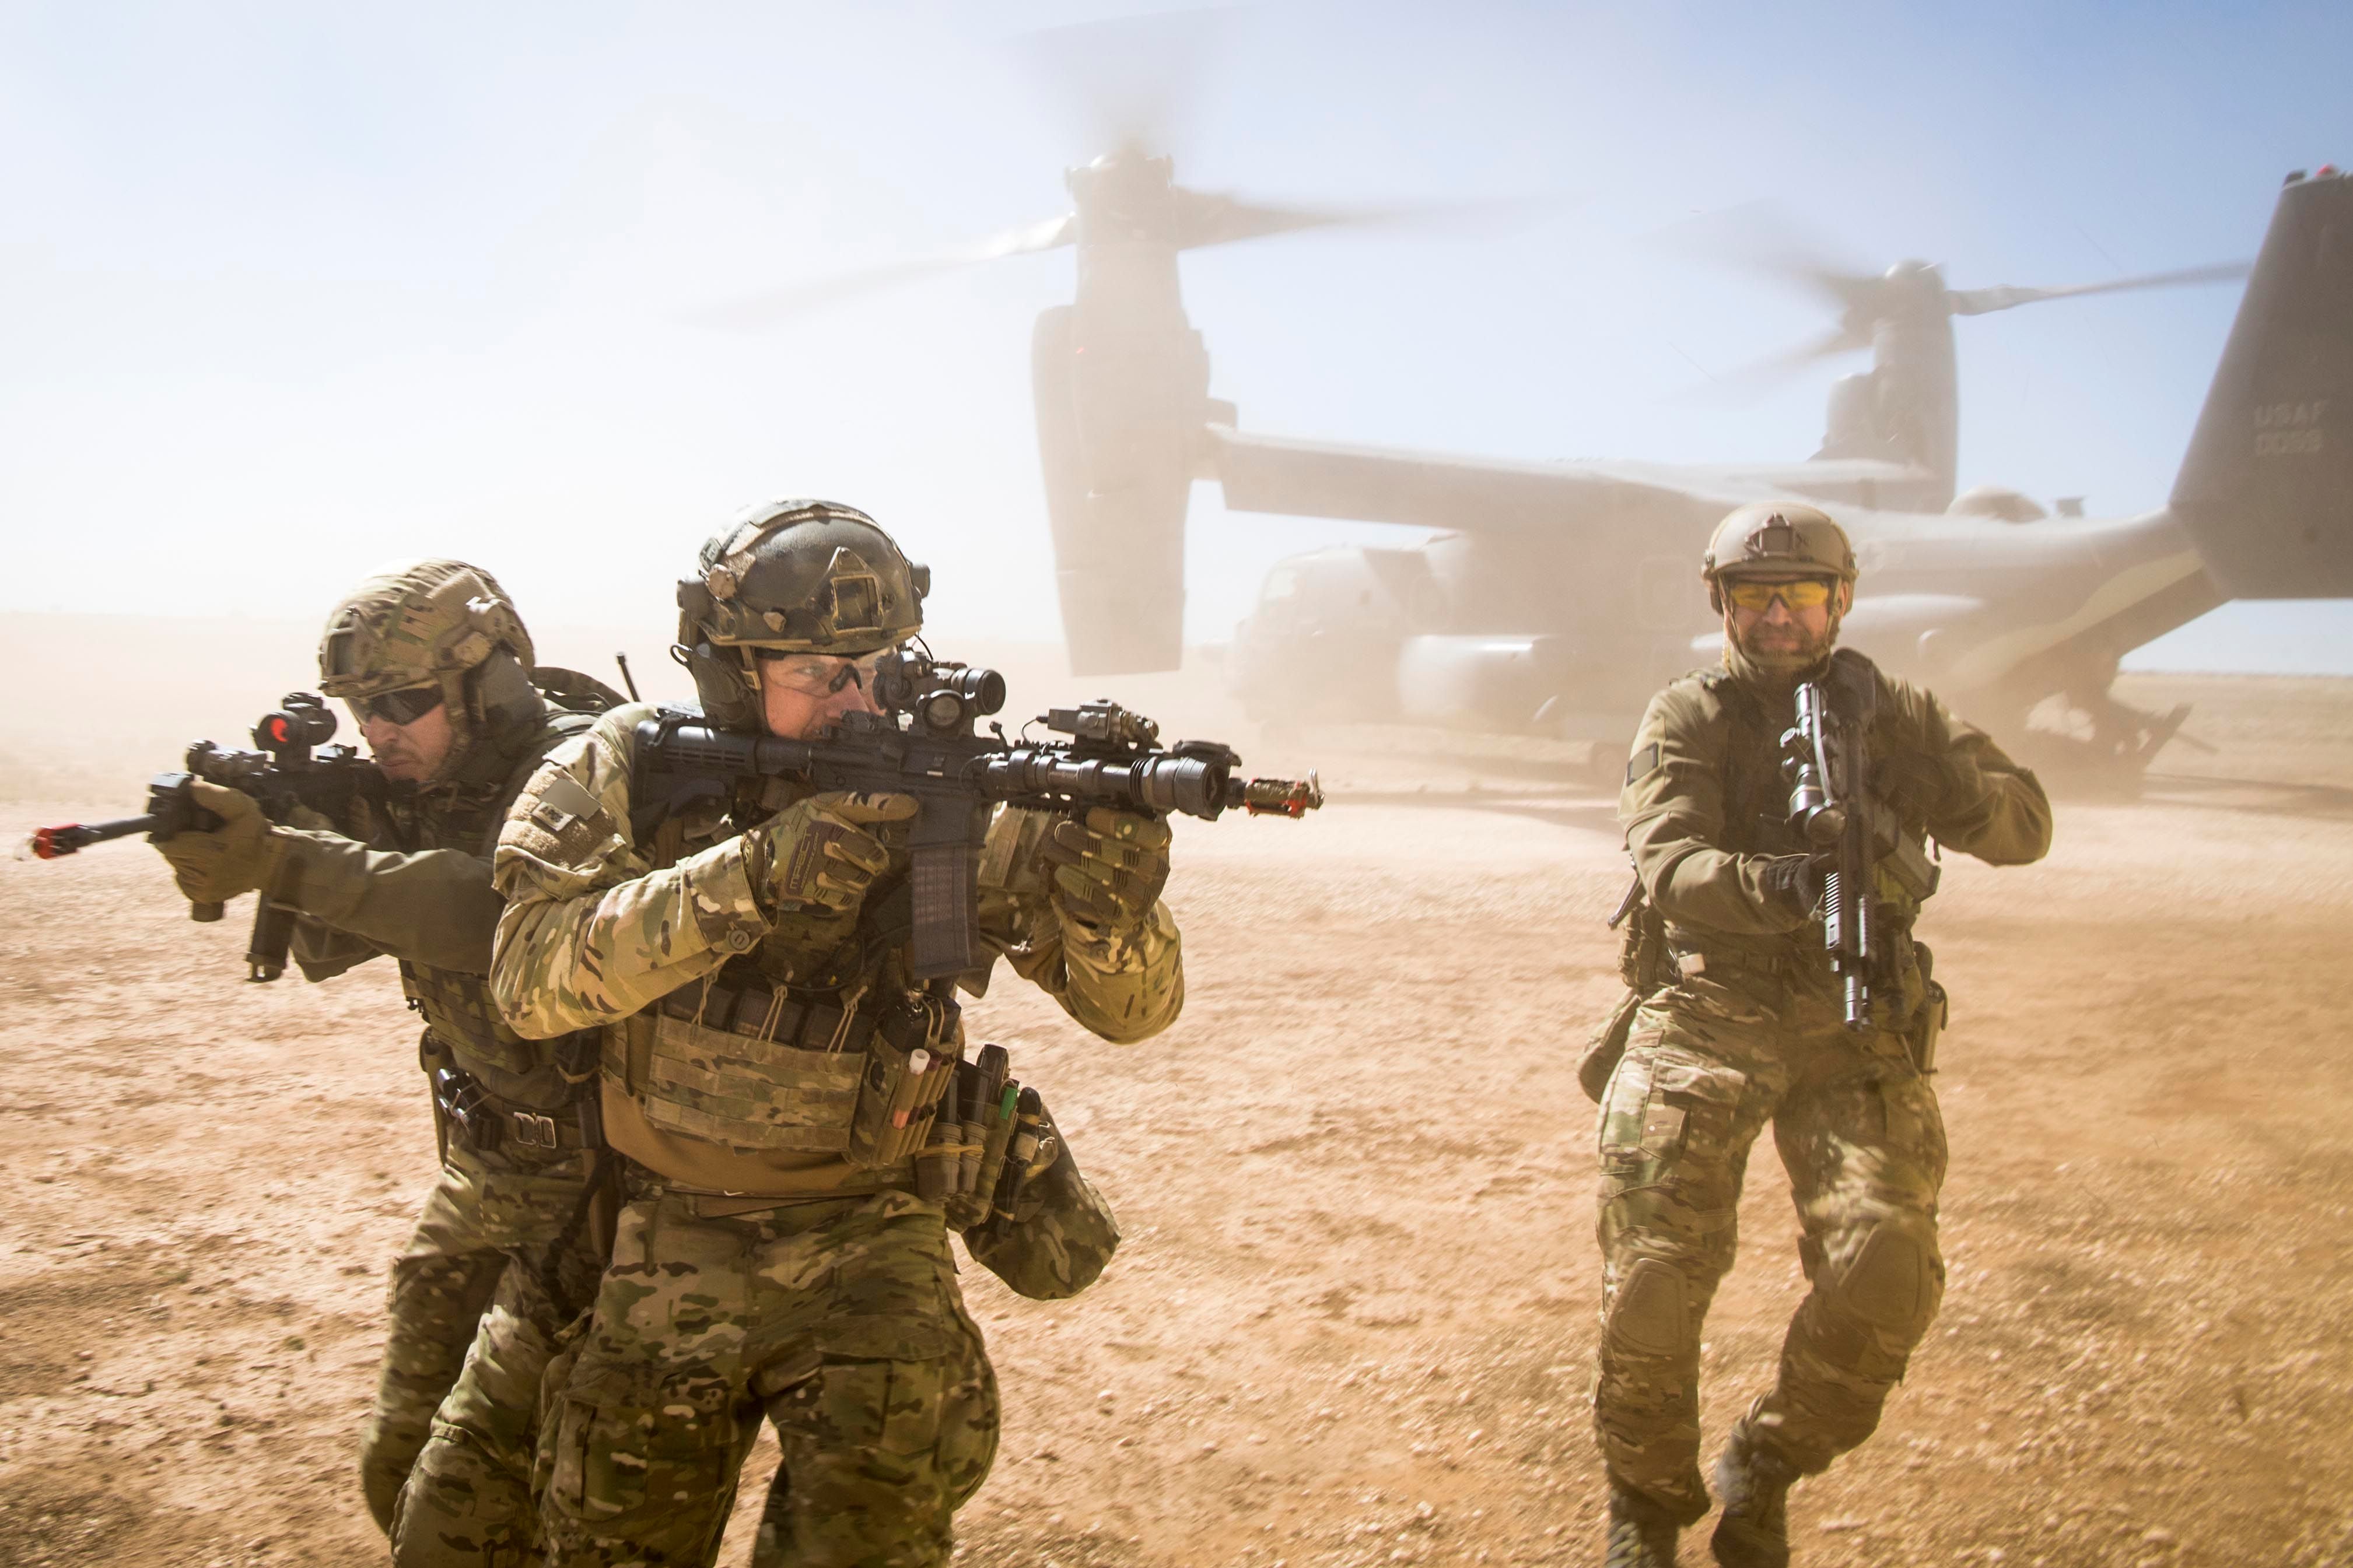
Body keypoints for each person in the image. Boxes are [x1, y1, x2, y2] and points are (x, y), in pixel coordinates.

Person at [484, 499, 1178, 1566]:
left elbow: (1135, 1015)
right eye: (819, 674)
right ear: (730, 669)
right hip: (666, 1237)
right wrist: (749, 877)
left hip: (874, 1237)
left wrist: (1108, 914)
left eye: (881, 667)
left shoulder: (955, 789)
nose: (859, 703)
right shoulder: (628, 763)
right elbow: (529, 981)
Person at [1588, 503, 2052, 1568]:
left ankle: (1769, 1458)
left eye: (1802, 593)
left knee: (1888, 1272)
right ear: (1722, 604)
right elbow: (1671, 865)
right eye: (1756, 594)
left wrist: (1957, 794)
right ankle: (1649, 1507)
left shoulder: (1895, 709)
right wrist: (1778, 883)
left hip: (1857, 1028)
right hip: (1709, 1011)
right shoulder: (1686, 715)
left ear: (1840, 600)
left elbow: (2027, 825)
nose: (1780, 614)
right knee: (1653, 1282)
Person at [149, 560, 614, 1535]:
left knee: (556, 1501)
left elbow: (489, 914)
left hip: (609, 1191)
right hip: (490, 1169)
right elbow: (333, 941)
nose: (381, 729)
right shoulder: (424, 783)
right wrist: (282, 826)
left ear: (485, 683)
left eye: (404, 699)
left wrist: (290, 854)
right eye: (364, 710)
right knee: (400, 1466)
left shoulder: (586, 768)